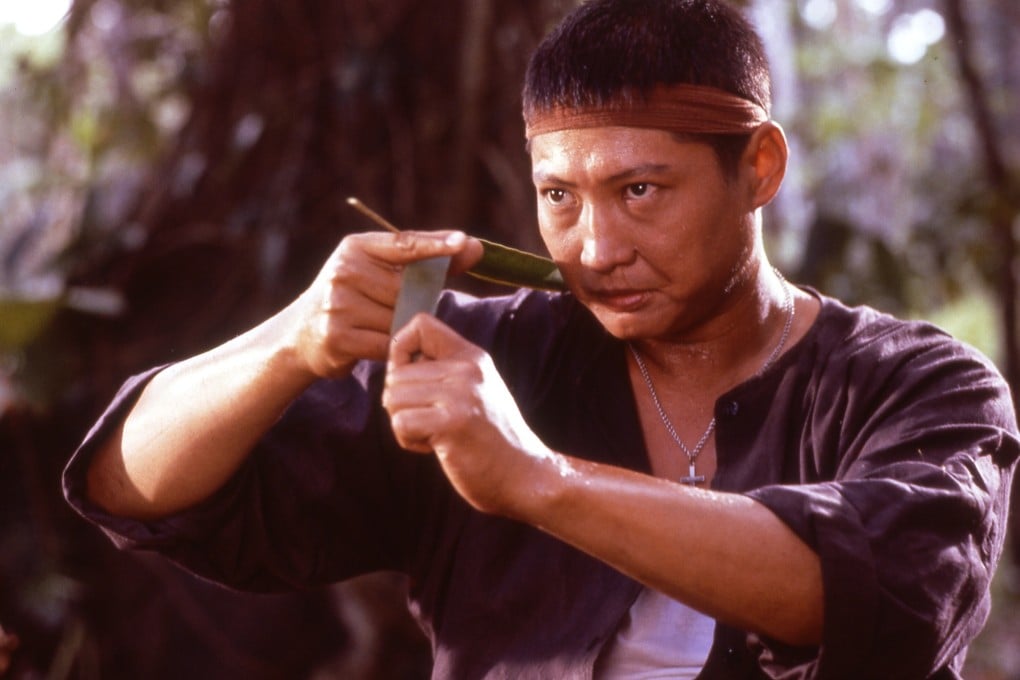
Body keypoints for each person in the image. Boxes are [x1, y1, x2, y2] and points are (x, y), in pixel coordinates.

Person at [64, 0, 1017, 677]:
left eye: (640, 191)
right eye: (559, 196)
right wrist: (288, 346)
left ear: (758, 166)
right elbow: (126, 486)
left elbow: (883, 599)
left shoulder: (923, 386)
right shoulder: (484, 359)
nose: (598, 247)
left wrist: (536, 479)